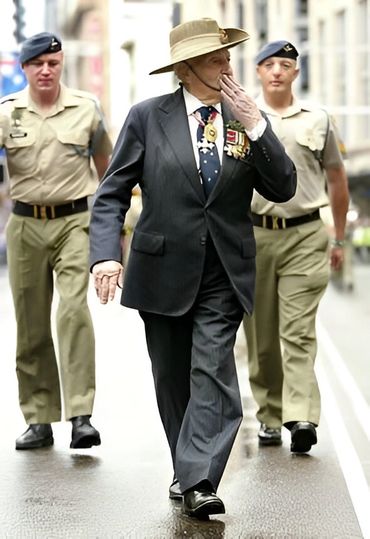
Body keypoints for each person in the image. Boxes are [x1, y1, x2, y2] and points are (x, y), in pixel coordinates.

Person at [90, 18, 296, 519]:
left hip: (224, 270)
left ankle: (200, 479)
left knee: (213, 372)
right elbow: (112, 191)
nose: (227, 67)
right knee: (173, 379)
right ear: (185, 70)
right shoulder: (146, 117)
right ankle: (187, 466)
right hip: (162, 269)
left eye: (227, 57)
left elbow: (283, 186)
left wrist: (257, 125)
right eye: (215, 60)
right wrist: (106, 253)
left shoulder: (242, 118)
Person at [0, 32, 112, 450]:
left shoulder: (86, 110)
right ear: (24, 69)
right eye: (37, 64)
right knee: (30, 325)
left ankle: (81, 414)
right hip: (26, 225)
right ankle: (39, 418)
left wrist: (110, 231)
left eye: (53, 62)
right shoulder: (7, 114)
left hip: (74, 222)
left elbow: (109, 172)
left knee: (72, 312)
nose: (46, 70)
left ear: (61, 64)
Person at [243, 40, 349, 453]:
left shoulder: (319, 120)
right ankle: (269, 414)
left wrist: (337, 236)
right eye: (269, 64)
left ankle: (301, 415)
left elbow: (337, 180)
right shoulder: (241, 118)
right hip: (254, 236)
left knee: (298, 332)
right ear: (258, 72)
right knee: (262, 333)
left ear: (295, 73)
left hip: (306, 234)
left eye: (284, 65)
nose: (276, 72)